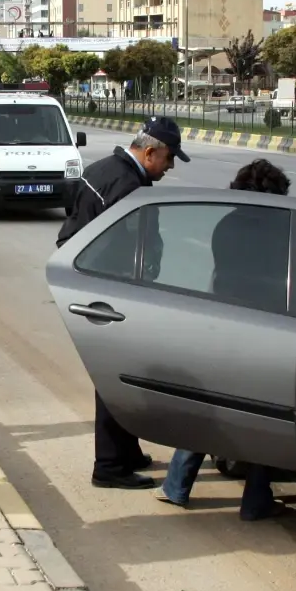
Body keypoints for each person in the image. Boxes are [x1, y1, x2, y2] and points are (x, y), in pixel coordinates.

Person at [157, 160, 296, 520]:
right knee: (265, 417)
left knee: (209, 408)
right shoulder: (289, 230)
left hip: (224, 326)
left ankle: (176, 486)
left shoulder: (226, 225)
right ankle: (255, 500)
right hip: (269, 332)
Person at [57, 116, 188, 489]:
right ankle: (110, 466)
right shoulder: (128, 186)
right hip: (112, 293)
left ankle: (126, 452)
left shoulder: (105, 170)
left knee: (121, 376)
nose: (170, 166)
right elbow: (127, 248)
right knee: (116, 377)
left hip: (92, 285)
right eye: (169, 158)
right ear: (150, 152)